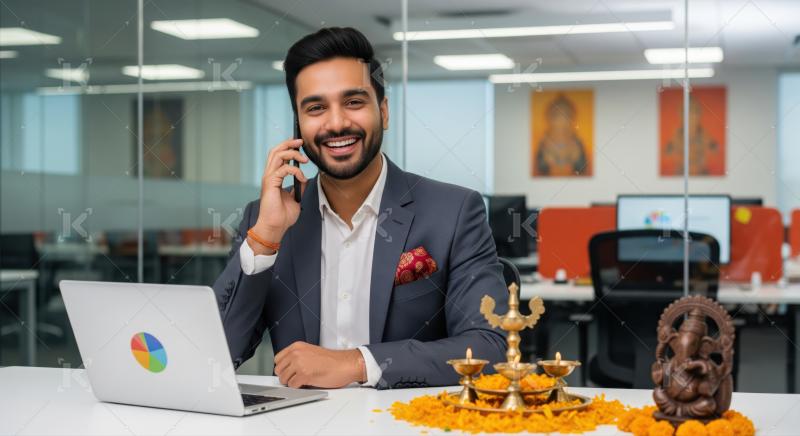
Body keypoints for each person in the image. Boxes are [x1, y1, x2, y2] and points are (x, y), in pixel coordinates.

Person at [212, 27, 508, 390]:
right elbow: (214, 356)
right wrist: (265, 238)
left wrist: (357, 363)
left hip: (405, 416)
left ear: (383, 112)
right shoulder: (266, 219)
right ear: (298, 126)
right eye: (316, 108)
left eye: (353, 102)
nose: (336, 123)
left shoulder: (454, 212)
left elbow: (490, 349)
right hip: (298, 418)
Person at [534, 93, 589, 176]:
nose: (562, 121)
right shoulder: (544, 143)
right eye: (556, 116)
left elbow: (582, 169)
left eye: (567, 116)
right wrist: (546, 161)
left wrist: (576, 158)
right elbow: (540, 169)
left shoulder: (577, 143)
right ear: (549, 119)